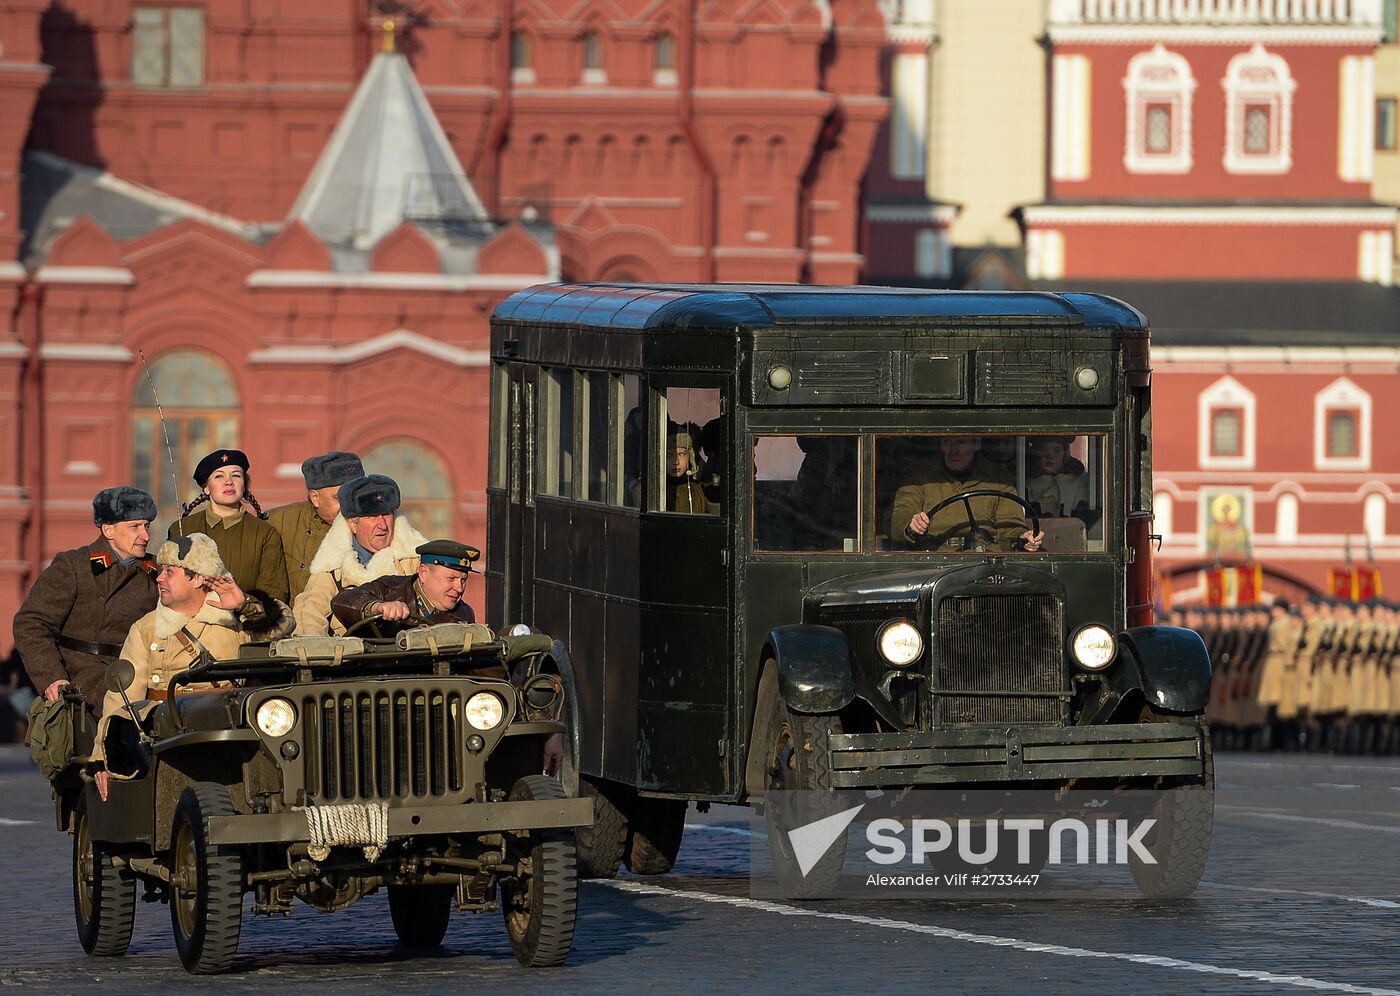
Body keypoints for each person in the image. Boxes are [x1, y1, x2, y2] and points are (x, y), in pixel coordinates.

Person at [92, 532, 291, 800]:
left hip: (228, 733)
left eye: (170, 572)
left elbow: (285, 626)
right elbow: (122, 697)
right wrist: (102, 758)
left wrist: (246, 604)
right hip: (167, 737)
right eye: (161, 570)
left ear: (198, 578)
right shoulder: (147, 628)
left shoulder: (235, 621)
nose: (159, 578)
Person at [12, 486, 160, 716]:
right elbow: (31, 623)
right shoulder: (75, 566)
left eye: (147, 526)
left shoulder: (157, 571)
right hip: (83, 690)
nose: (146, 536)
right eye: (135, 527)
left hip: (140, 681)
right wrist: (52, 678)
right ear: (108, 529)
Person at [294, 474, 428, 636]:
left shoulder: (417, 562)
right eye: (372, 517)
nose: (382, 525)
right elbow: (309, 613)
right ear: (353, 524)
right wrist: (317, 646)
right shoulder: (333, 569)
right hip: (351, 650)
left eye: (387, 514)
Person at [168, 448, 290, 604]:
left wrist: (243, 605)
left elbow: (274, 594)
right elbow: (169, 584)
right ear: (206, 488)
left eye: (236, 475)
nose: (229, 482)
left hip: (245, 617)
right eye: (219, 476)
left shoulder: (265, 534)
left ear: (244, 485)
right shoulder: (182, 529)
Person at [890, 436, 1044, 551]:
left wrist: (1023, 538)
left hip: (988, 559)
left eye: (961, 442)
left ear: (976, 444)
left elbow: (1009, 526)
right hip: (937, 559)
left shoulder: (998, 477)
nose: (953, 450)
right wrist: (912, 525)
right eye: (947, 442)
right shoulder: (920, 476)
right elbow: (899, 516)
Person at [266, 451, 364, 603]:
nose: (350, 505)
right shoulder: (276, 523)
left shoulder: (377, 523)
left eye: (356, 497)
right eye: (340, 498)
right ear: (315, 497)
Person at [331, 540, 481, 635]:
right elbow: (342, 601)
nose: (459, 588)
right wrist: (377, 608)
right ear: (423, 573)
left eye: (463, 580)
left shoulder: (463, 614)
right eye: (451, 579)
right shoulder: (390, 589)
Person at [1025, 436, 1090, 518]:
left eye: (1057, 450)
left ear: (1065, 453)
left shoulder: (1083, 482)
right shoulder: (1024, 484)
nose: (1050, 456)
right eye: (1043, 450)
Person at [666, 430, 712, 513]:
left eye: (681, 454)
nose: (676, 462)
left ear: (690, 457)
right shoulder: (651, 492)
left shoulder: (700, 492)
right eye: (669, 455)